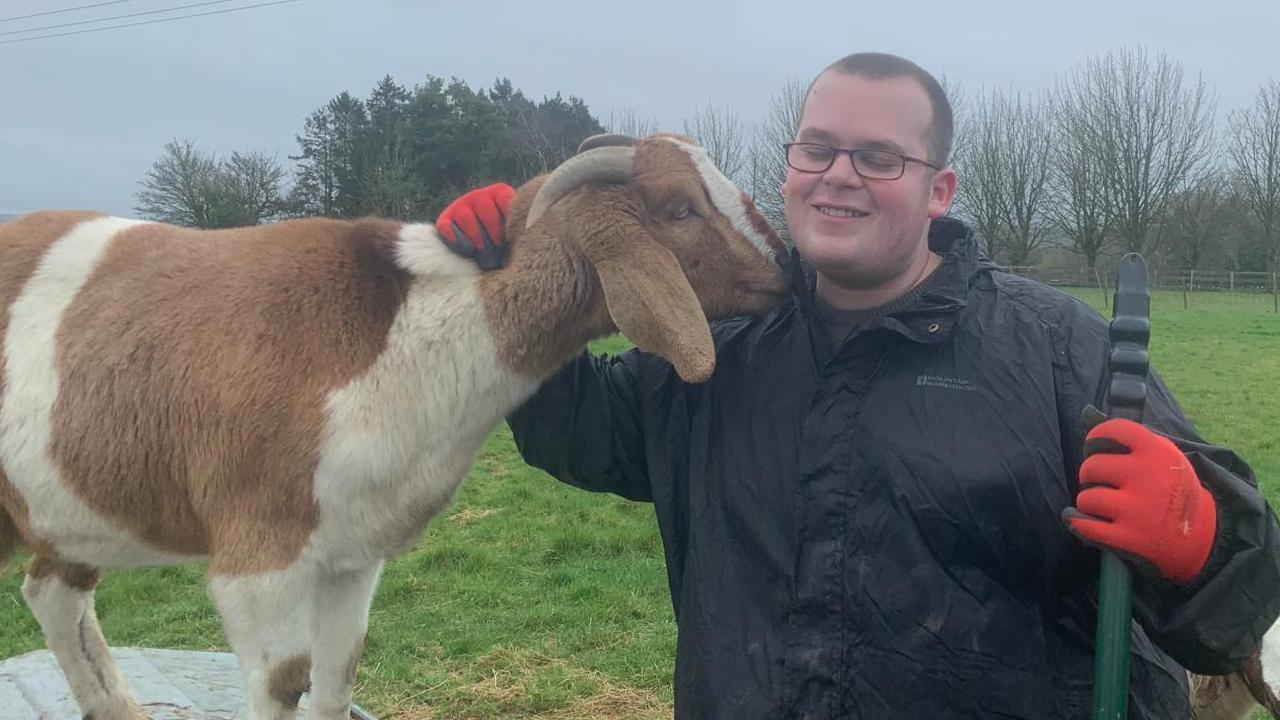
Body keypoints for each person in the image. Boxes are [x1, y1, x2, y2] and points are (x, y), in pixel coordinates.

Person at [433, 52, 1280, 719]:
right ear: (790, 168)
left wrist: (1202, 541)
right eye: (818, 149)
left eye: (878, 157)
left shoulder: (1058, 348)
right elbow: (584, 436)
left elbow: (1241, 605)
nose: (839, 174)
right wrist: (520, 280)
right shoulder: (719, 343)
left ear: (938, 188)